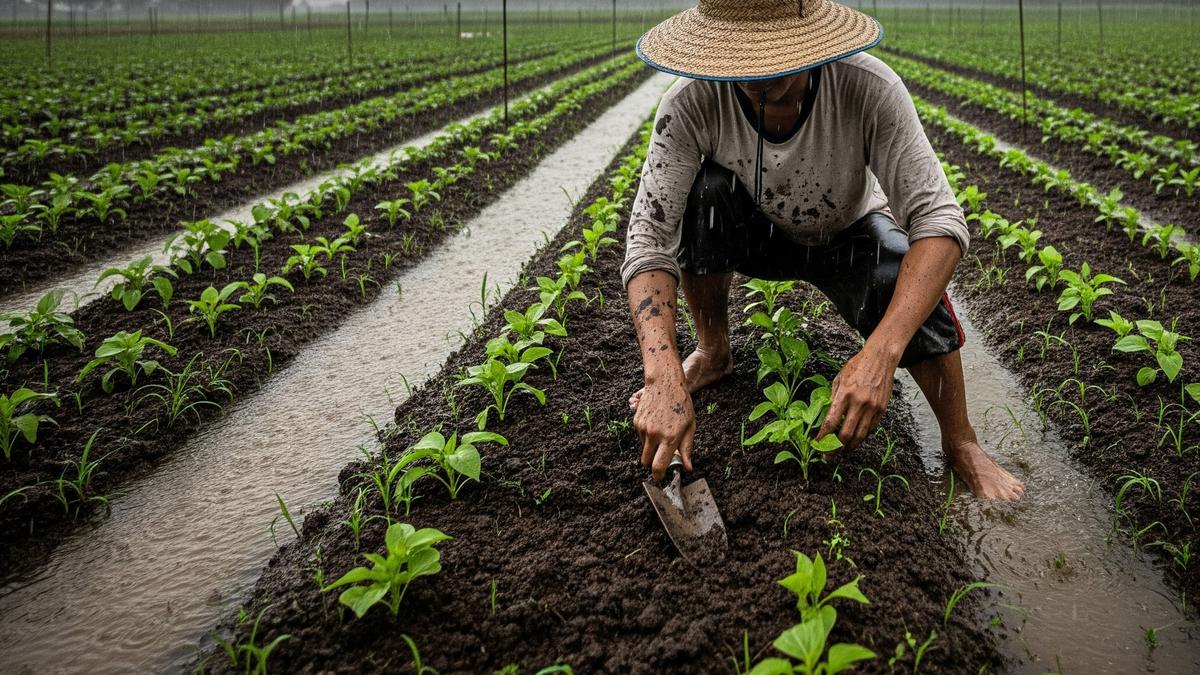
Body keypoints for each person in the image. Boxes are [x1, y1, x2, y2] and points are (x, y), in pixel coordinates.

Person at [622, 0, 1024, 499]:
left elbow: (940, 222)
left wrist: (879, 354)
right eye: (737, 59)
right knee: (705, 196)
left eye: (769, 58)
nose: (752, 77)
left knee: (899, 274)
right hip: (755, 232)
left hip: (847, 231)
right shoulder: (690, 103)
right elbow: (649, 239)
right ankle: (713, 350)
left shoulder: (867, 86)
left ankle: (961, 442)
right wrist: (661, 374)